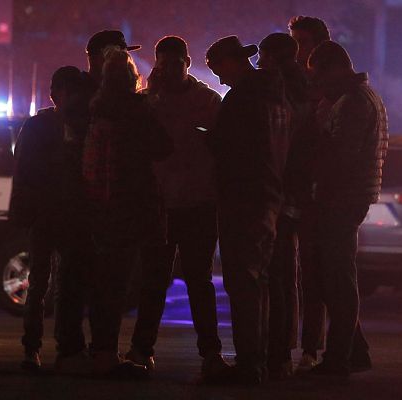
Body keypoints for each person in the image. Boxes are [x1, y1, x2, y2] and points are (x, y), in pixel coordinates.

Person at [124, 36, 228, 379]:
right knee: (155, 281)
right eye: (163, 64)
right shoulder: (151, 102)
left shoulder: (208, 101)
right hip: (162, 204)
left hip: (197, 203)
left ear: (186, 62)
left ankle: (209, 353)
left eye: (174, 64)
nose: (168, 70)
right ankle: (142, 350)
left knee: (197, 282)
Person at [205, 36, 292, 384]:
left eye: (217, 70)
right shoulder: (277, 99)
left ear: (230, 63)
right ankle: (266, 360)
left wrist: (208, 138)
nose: (219, 79)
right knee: (260, 282)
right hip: (269, 196)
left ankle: (249, 364)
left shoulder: (242, 99)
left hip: (243, 199)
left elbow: (229, 147)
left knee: (243, 284)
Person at [51, 30, 138, 375]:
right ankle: (82, 351)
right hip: (88, 206)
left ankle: (83, 351)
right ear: (105, 56)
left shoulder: (83, 97)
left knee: (91, 282)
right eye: (121, 55)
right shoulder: (90, 99)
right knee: (84, 281)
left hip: (87, 204)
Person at [83, 46, 172, 379]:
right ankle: (128, 350)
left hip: (103, 206)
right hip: (136, 206)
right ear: (133, 78)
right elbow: (164, 146)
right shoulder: (138, 111)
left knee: (107, 283)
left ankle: (102, 349)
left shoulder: (97, 110)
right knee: (140, 281)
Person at [301, 40, 388, 377]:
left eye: (319, 75)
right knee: (336, 275)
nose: (318, 83)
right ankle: (353, 350)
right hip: (351, 195)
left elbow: (339, 155)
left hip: (341, 197)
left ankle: (338, 358)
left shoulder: (351, 103)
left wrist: (315, 134)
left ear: (334, 68)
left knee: (337, 277)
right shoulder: (366, 97)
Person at [9, 66, 94, 371]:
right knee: (43, 283)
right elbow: (24, 172)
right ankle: (35, 347)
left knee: (55, 284)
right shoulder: (43, 126)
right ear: (57, 94)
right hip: (49, 213)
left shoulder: (63, 124)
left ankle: (44, 348)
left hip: (64, 213)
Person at [256, 32, 313, 380]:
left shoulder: (279, 93)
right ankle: (284, 351)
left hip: (279, 192)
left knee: (274, 275)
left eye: (263, 55)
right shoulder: (309, 90)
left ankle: (275, 351)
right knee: (286, 275)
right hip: (296, 194)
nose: (260, 62)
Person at [288, 16, 333, 373]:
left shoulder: (327, 89)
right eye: (295, 42)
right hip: (289, 184)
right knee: (287, 271)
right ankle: (288, 343)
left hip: (316, 190)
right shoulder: (289, 82)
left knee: (314, 272)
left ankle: (312, 346)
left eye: (304, 43)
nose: (298, 50)